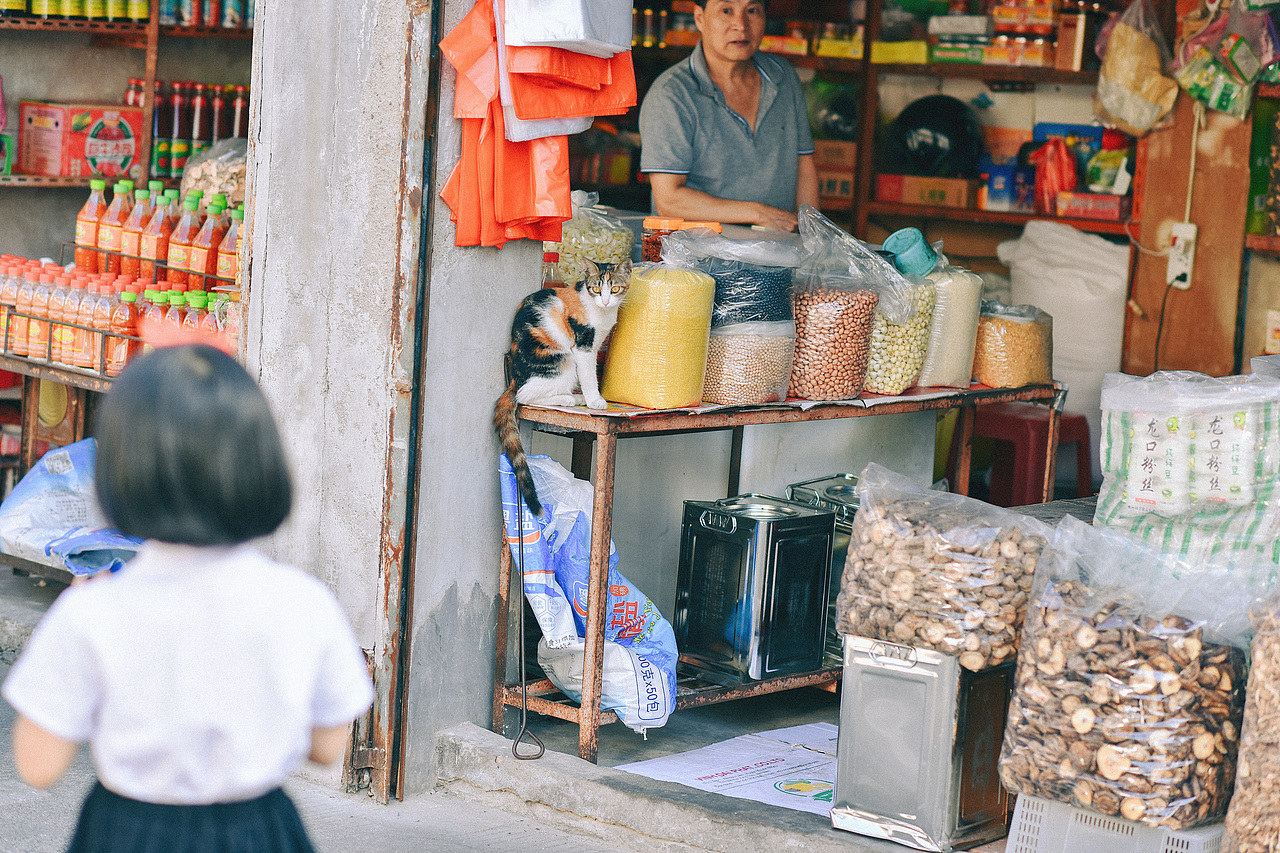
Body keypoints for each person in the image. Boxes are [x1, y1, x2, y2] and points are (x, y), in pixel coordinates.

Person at [2, 345, 374, 853]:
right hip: (260, 831)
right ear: (260, 464)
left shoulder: (93, 611)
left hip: (126, 832)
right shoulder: (302, 603)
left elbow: (37, 764)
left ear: (119, 472)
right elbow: (328, 747)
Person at [638, 0, 819, 232]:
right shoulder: (672, 94)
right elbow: (669, 200)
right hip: (697, 259)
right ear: (700, 18)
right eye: (726, 11)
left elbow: (804, 165)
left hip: (776, 252)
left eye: (752, 11)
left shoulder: (783, 77)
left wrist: (813, 240)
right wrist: (757, 213)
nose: (741, 26)